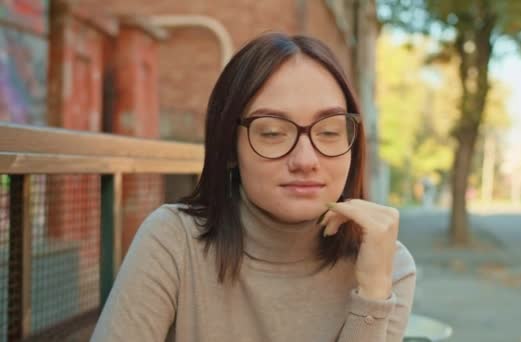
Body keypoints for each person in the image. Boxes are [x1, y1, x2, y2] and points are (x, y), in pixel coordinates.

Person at [91, 32, 416, 342]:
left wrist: (372, 296)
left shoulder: (387, 264)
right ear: (230, 148)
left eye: (329, 132)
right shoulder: (174, 242)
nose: (305, 160)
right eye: (273, 133)